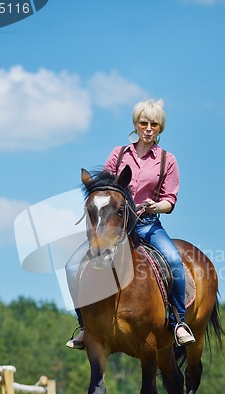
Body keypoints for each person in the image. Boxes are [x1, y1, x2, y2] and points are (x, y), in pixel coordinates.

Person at [66, 98, 195, 349]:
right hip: (114, 225)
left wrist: (156, 206)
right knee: (72, 266)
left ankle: (178, 321)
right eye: (143, 122)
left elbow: (170, 199)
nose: (148, 128)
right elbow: (104, 186)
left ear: (160, 128)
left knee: (174, 260)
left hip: (147, 224)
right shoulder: (119, 153)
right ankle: (85, 326)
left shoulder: (168, 161)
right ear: (135, 125)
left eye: (154, 124)